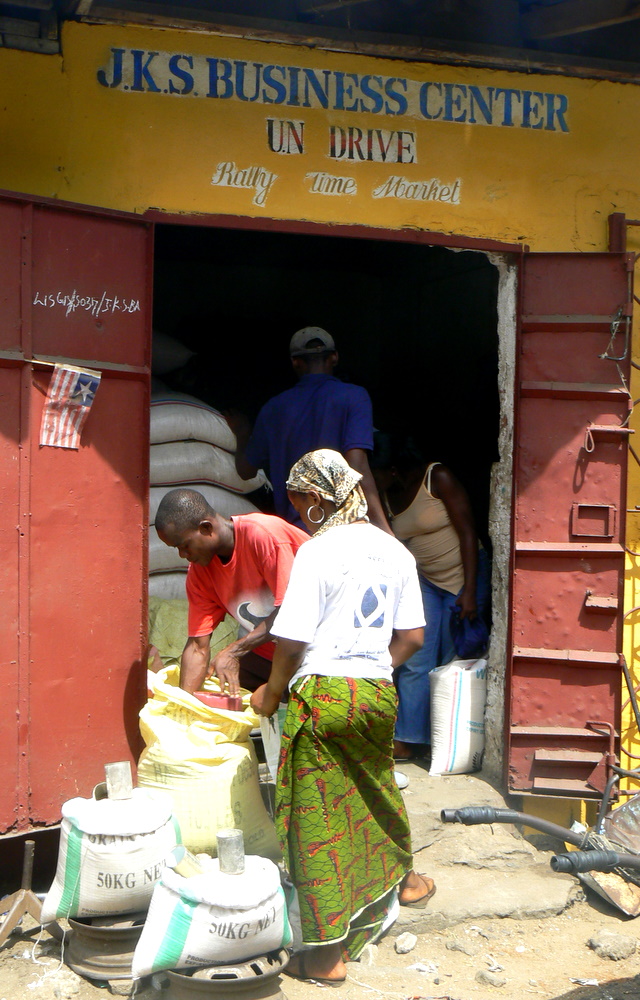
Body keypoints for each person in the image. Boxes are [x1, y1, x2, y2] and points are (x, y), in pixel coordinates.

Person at [250, 450, 435, 986]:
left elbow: (292, 638)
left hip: (324, 696)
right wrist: (369, 669)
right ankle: (407, 882)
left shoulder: (318, 551)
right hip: (376, 693)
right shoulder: (395, 551)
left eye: (299, 498)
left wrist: (271, 692)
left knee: (316, 821)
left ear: (318, 497)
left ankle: (328, 954)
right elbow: (414, 638)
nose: (296, 507)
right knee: (375, 787)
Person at [372, 435, 491, 761]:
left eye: (376, 472)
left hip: (464, 578)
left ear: (393, 469)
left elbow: (468, 531)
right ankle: (410, 739)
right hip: (425, 580)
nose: (372, 479)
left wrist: (468, 591)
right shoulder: (384, 494)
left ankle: (446, 740)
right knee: (416, 659)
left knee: (452, 662)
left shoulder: (437, 478)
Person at [231, 326, 391, 533]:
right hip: (344, 528)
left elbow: (245, 471)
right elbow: (357, 465)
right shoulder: (354, 397)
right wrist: (385, 530)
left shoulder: (273, 409)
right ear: (334, 358)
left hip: (296, 532)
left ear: (295, 362)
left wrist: (242, 433)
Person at [154, 488, 308, 694]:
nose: (183, 555)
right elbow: (198, 646)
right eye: (176, 549)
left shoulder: (263, 535)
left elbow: (292, 613)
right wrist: (184, 705)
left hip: (320, 652)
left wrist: (235, 650)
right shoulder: (200, 572)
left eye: (185, 545)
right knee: (224, 690)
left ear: (206, 528)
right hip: (271, 656)